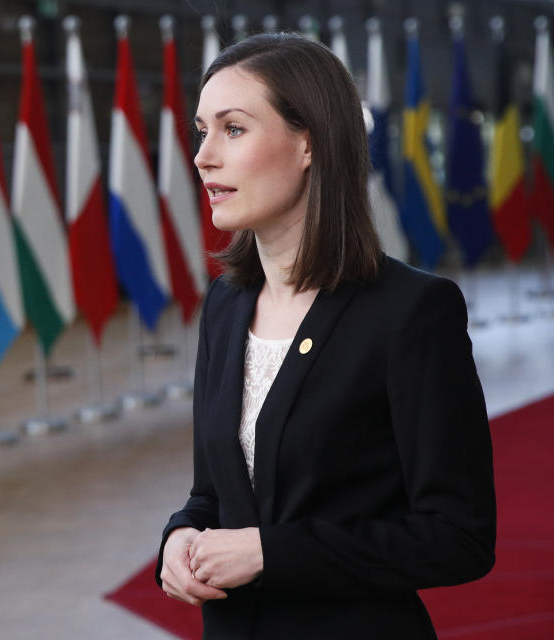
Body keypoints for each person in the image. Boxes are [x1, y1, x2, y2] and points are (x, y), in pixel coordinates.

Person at [155, 32, 496, 639]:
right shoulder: (226, 304)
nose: (204, 156)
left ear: (308, 141)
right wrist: (181, 534)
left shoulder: (412, 312)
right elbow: (215, 492)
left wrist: (273, 553)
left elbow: (458, 537)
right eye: (202, 130)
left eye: (233, 129)